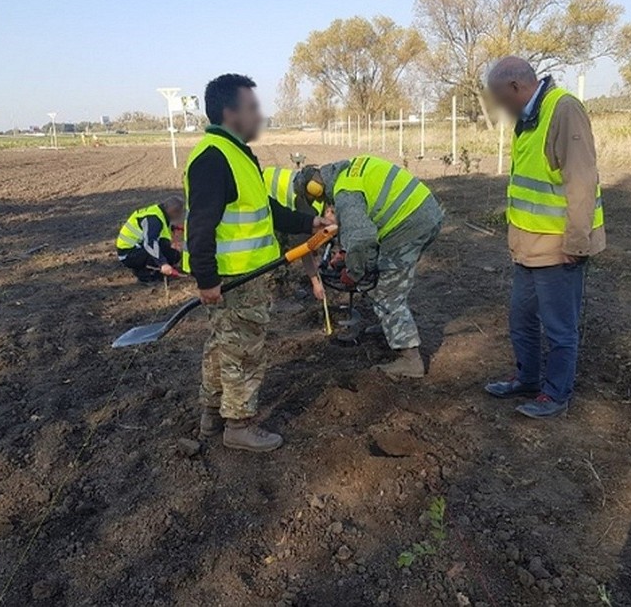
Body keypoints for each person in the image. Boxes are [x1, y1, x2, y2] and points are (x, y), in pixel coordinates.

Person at [184, 74, 333, 452]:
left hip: (246, 273)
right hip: (235, 278)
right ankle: (239, 425)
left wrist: (307, 222)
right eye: (252, 108)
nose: (259, 116)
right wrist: (206, 279)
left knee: (223, 347)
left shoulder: (235, 154)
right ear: (230, 112)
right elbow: (199, 225)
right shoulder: (214, 158)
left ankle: (212, 416)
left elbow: (263, 209)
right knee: (243, 352)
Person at [483, 56, 606, 419]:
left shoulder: (564, 110)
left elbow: (582, 181)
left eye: (500, 98)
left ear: (517, 88)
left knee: (559, 328)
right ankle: (527, 379)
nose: (499, 108)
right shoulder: (527, 118)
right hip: (528, 249)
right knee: (521, 319)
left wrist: (577, 244)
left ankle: (555, 394)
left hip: (559, 249)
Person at [294, 155, 444, 379]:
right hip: (419, 214)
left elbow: (363, 238)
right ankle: (391, 328)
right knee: (380, 273)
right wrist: (348, 252)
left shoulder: (345, 193)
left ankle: (410, 360)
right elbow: (361, 226)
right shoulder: (346, 174)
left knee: (388, 292)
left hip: (410, 223)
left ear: (315, 188)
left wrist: (352, 273)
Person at [263, 165, 325, 300]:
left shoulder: (312, 191)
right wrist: (316, 283)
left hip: (270, 179)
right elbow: (303, 248)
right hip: (266, 200)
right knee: (279, 251)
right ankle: (277, 294)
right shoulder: (304, 204)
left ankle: (281, 287)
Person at [116, 196, 184, 283]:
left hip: (136, 249)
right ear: (173, 211)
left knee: (172, 254)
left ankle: (148, 267)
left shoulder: (158, 211)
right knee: (168, 256)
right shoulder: (154, 220)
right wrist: (163, 264)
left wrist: (173, 228)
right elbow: (150, 243)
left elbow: (157, 232)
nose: (179, 216)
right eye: (179, 214)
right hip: (128, 254)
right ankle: (145, 274)